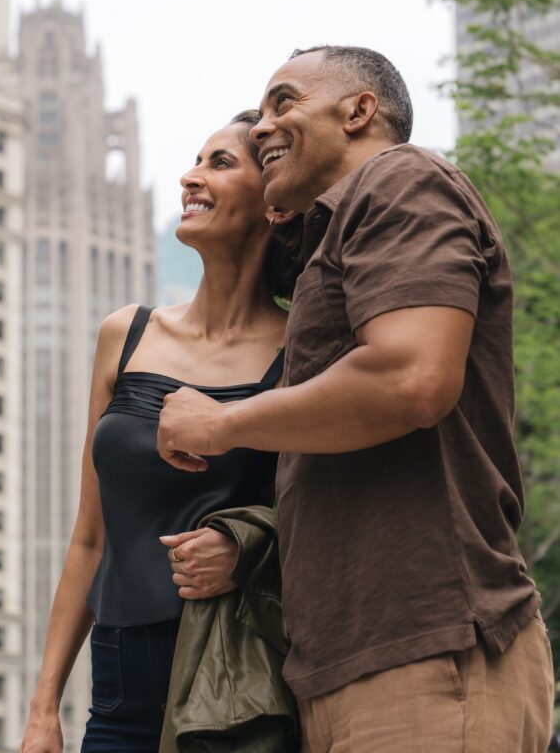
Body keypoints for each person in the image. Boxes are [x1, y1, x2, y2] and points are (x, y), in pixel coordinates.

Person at [157, 45, 555, 752]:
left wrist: (223, 423)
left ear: (359, 111)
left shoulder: (402, 180)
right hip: (348, 670)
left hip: (429, 653)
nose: (261, 127)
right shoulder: (335, 236)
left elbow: (412, 378)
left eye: (284, 102)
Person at [19, 113, 300, 753]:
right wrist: (44, 708)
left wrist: (248, 551)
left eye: (220, 163)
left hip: (236, 672)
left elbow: (328, 514)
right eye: (195, 160)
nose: (189, 177)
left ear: (273, 203)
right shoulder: (126, 334)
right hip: (118, 680)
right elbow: (90, 539)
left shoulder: (303, 350)